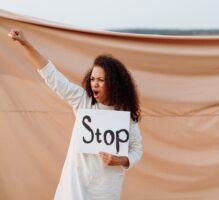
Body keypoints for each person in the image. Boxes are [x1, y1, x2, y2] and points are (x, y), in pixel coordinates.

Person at [8, 29, 143, 200]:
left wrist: (121, 160)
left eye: (101, 80)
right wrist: (25, 44)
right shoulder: (83, 101)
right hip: (74, 190)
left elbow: (137, 149)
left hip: (106, 192)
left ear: (114, 84)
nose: (95, 84)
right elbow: (53, 77)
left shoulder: (125, 115)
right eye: (93, 79)